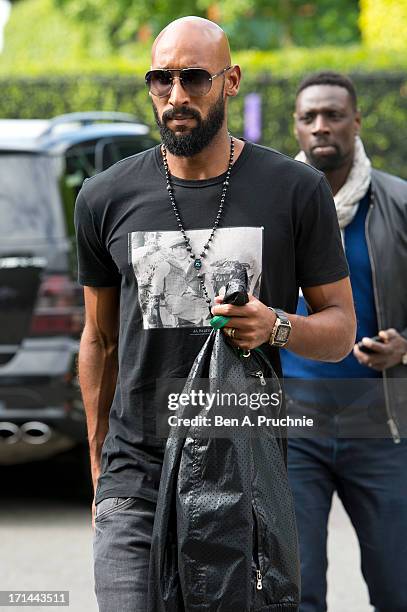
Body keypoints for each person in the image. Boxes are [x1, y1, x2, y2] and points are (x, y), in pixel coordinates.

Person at [74, 21, 355, 612]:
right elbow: (97, 339)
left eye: (194, 78)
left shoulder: (295, 190)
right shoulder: (105, 197)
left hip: (242, 474)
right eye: (161, 79)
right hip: (137, 475)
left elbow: (339, 330)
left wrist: (277, 325)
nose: (176, 96)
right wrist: (101, 462)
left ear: (229, 82)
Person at [281, 71, 407, 612]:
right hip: (292, 425)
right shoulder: (275, 205)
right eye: (309, 117)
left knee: (397, 586)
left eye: (333, 114)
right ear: (296, 126)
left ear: (356, 121)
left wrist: (405, 347)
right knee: (296, 586)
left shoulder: (399, 202)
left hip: (380, 424)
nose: (321, 126)